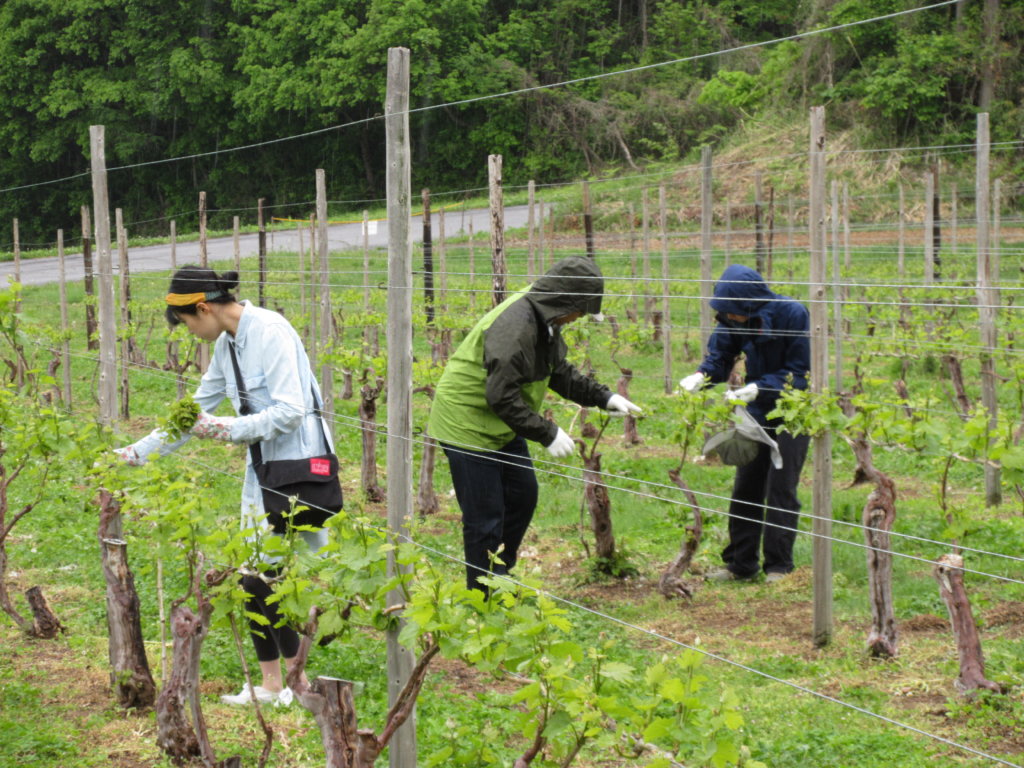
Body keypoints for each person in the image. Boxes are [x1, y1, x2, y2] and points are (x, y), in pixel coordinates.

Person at [114, 265, 332, 706]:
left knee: (279, 576)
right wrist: (133, 455)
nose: (191, 333)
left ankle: (298, 682)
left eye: (189, 323)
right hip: (262, 468)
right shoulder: (228, 345)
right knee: (250, 574)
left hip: (299, 465)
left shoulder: (270, 332)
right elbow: (193, 413)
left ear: (203, 307)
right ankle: (275, 685)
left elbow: (291, 411)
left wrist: (225, 429)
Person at [428, 255, 641, 592]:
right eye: (579, 311)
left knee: (522, 497)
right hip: (467, 423)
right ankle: (481, 599)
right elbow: (501, 396)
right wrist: (547, 432)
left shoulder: (546, 317)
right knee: (485, 518)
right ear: (564, 301)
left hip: (502, 422)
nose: (578, 319)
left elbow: (557, 371)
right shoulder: (516, 327)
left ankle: (500, 578)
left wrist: (603, 397)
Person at [679, 264, 810, 584]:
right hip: (755, 411)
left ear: (751, 303)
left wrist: (761, 387)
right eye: (728, 313)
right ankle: (741, 564)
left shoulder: (792, 314)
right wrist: (701, 376)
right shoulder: (733, 316)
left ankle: (779, 567)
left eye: (735, 312)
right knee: (746, 486)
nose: (731, 318)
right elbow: (720, 357)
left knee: (781, 488)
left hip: (792, 409)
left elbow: (801, 372)